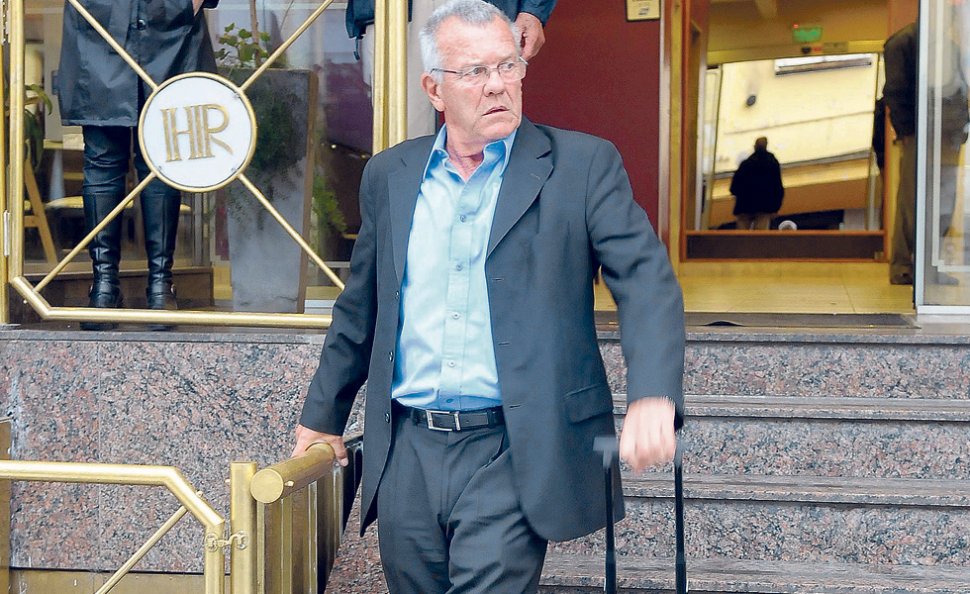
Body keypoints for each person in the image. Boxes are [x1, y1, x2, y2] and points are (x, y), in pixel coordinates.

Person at [293, 1, 685, 592]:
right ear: (434, 89)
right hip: (406, 448)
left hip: (513, 445)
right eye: (475, 71)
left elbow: (645, 279)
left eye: (508, 65)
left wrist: (653, 393)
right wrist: (322, 418)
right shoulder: (390, 175)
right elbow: (360, 307)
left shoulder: (581, 166)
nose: (498, 84)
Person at [56, 0, 219, 329]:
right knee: (111, 158)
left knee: (157, 157)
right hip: (99, 23)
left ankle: (152, 286)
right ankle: (111, 286)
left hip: (166, 24)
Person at [351, 0, 556, 138]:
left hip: (482, 6)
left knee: (491, 114)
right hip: (395, 8)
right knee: (401, 128)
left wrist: (533, 9)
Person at [884, 21, 967, 285]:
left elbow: (959, 91)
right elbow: (895, 91)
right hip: (920, 133)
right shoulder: (904, 43)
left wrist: (960, 129)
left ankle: (927, 265)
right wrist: (907, 131)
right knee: (913, 200)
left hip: (945, 133)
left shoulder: (946, 47)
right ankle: (905, 265)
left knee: (943, 201)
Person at [729, 136, 784, 230]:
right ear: (766, 146)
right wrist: (776, 207)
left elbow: (734, 186)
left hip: (744, 205)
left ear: (755, 147)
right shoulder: (772, 163)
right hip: (765, 206)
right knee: (760, 235)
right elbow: (777, 187)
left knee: (742, 234)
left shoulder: (746, 164)